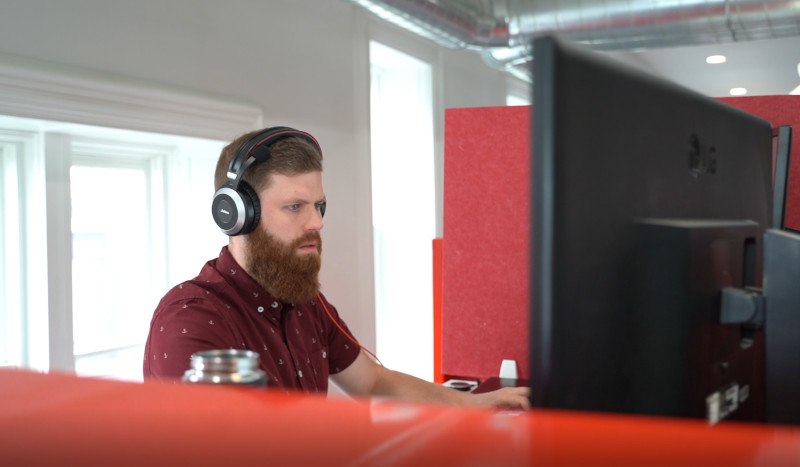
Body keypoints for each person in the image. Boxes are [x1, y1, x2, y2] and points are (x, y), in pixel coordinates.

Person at [143, 126, 530, 409]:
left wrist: (475, 403)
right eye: (296, 207)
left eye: (319, 206)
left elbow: (374, 380)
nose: (317, 223)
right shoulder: (190, 319)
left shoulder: (305, 303)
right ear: (237, 215)